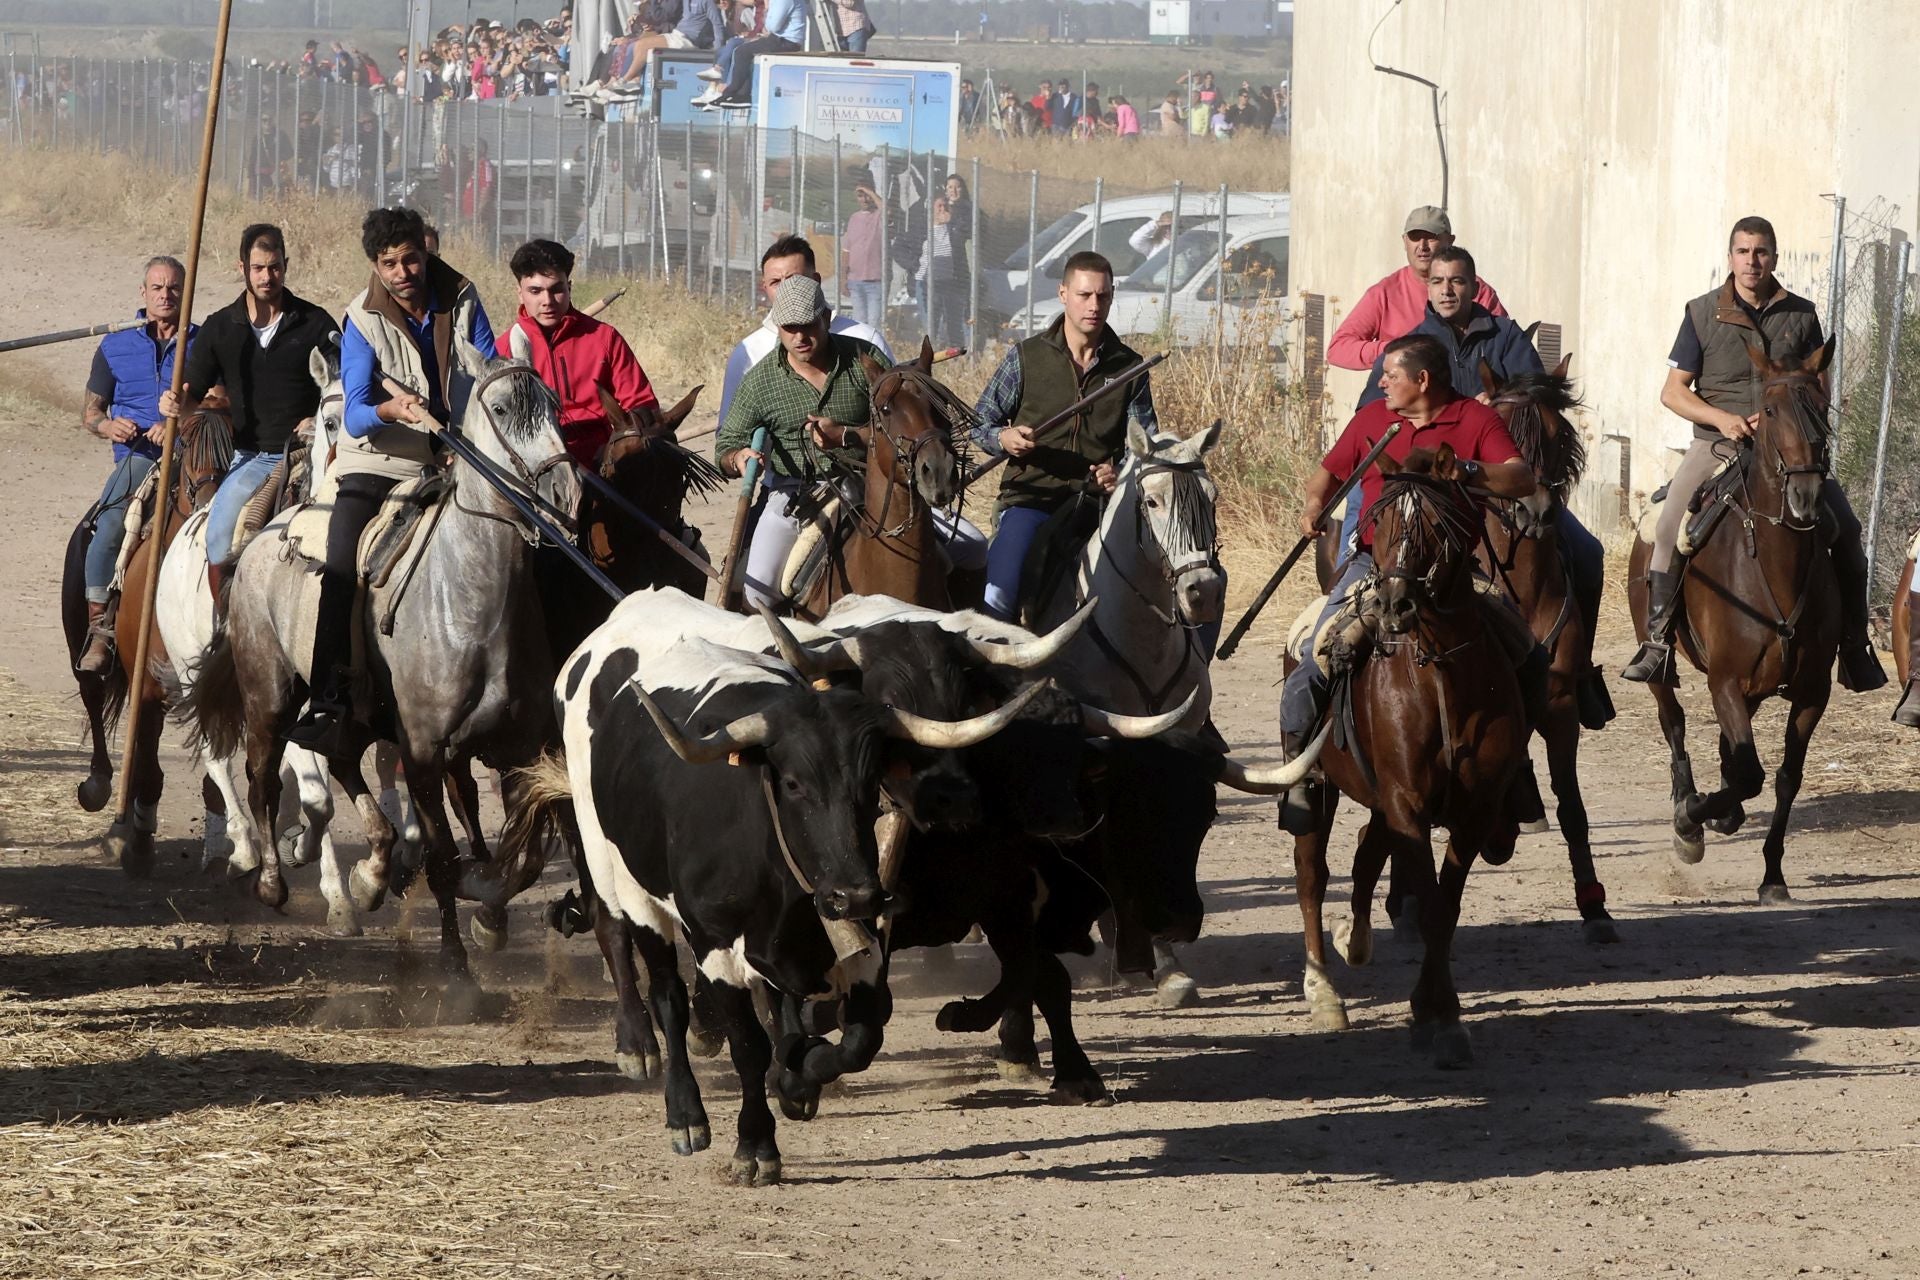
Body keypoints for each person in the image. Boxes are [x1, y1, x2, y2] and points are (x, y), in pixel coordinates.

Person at [1276, 334, 1537, 830]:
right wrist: (1313, 507)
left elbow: (1521, 477)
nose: (1380, 383)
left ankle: (1513, 771)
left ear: (1422, 380)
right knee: (1314, 659)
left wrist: (1469, 470)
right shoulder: (1374, 419)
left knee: (1529, 655)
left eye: (1389, 375)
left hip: (1454, 570)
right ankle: (1302, 778)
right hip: (1373, 563)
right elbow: (1327, 475)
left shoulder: (1476, 419)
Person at [1627, 215, 1885, 694]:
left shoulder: (1802, 314)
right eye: (1744, 251)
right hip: (1718, 443)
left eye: (1761, 251)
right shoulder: (1702, 312)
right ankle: (1658, 642)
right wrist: (1723, 420)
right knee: (1667, 528)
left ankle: (1854, 647)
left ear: (1774, 257)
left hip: (1786, 450)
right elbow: (1673, 392)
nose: (1752, 261)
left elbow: (1818, 386)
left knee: (1847, 530)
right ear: (1730, 257)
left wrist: (1790, 425)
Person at [1357, 245, 1608, 714]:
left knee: (1588, 553)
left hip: (1499, 479)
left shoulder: (1506, 336)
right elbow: (1373, 413)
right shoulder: (1408, 345)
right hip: (1437, 489)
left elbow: (1537, 394)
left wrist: (1504, 408)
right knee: (1382, 558)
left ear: (1475, 287)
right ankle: (1372, 671)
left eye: (1457, 282)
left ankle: (1581, 671)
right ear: (1426, 287)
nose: (1448, 290)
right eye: (1438, 282)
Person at [287, 207, 499, 754]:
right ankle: (330, 698)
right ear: (375, 266)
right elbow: (355, 412)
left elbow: (489, 368)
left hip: (456, 456)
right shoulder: (360, 318)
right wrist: (394, 410)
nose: (403, 271)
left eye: (410, 258)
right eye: (390, 263)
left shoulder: (464, 297)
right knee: (340, 564)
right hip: (377, 462)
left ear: (424, 252)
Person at [715, 276, 984, 609]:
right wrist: (737, 457)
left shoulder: (864, 360)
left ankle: (966, 638)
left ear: (826, 318)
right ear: (777, 327)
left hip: (872, 481)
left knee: (972, 547)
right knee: (758, 592)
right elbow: (725, 445)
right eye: (789, 328)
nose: (800, 337)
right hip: (794, 494)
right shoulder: (760, 382)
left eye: (809, 325)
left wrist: (846, 435)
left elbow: (895, 421)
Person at [970, 251, 1159, 622]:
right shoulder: (1026, 356)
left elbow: (1146, 447)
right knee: (998, 596)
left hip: (1102, 507)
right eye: (1084, 295)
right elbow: (979, 423)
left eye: (1103, 296)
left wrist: (1120, 472)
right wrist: (1003, 438)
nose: (1094, 305)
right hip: (1031, 499)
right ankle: (997, 673)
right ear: (1063, 294)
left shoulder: (1130, 368)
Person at [161, 224, 334, 599]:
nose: (267, 277)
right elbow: (192, 394)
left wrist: (317, 420)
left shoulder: (316, 323)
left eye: (274, 267)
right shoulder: (220, 328)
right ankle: (225, 621)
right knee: (220, 533)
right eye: (258, 268)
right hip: (254, 457)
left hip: (310, 450)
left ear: (285, 266)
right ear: (243, 268)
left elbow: (343, 386)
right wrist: (177, 404)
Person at [75, 257, 198, 674]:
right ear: (143, 293)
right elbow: (90, 413)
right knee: (108, 525)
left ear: (186, 293)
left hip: (193, 457)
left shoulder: (203, 344)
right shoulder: (115, 346)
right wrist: (109, 425)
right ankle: (100, 629)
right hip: (137, 460)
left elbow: (220, 400)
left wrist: (178, 422)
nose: (166, 296)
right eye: (158, 288)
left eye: (175, 288)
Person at [506, 238, 659, 466]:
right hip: (537, 472)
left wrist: (623, 442)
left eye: (556, 290)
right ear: (520, 293)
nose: (547, 301)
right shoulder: (504, 349)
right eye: (535, 291)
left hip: (605, 467)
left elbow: (642, 403)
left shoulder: (605, 338)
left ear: (569, 287)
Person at [717, 234, 891, 425]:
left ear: (815, 279)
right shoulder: (749, 352)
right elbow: (728, 432)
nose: (786, 290)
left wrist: (848, 436)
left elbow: (898, 415)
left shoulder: (865, 341)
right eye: (776, 282)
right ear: (764, 287)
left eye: (794, 279)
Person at [1327, 206, 1506, 371]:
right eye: (1414, 237)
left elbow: (1505, 345)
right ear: (1404, 241)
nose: (1422, 246)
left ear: (1450, 241)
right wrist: (1397, 350)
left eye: (1431, 237)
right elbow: (1338, 349)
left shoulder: (1477, 290)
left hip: (1466, 396)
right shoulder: (1384, 293)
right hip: (1404, 401)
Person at [708, 0, 805, 108]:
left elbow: (773, 26)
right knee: (741, 48)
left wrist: (768, 14)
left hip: (786, 41)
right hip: (780, 38)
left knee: (742, 52)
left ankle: (736, 94)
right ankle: (735, 94)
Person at [842, 185, 886, 331]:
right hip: (855, 280)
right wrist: (843, 278)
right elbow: (846, 250)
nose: (865, 199)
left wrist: (870, 192)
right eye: (861, 196)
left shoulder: (878, 216)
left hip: (874, 281)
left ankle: (874, 352)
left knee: (874, 323)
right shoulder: (853, 218)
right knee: (859, 322)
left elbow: (886, 209)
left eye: (867, 196)